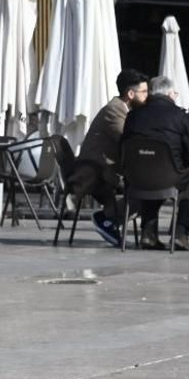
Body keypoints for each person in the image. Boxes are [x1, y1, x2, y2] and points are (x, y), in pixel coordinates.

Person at [121, 75, 189, 250]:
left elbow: (123, 147)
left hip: (136, 178)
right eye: (175, 92)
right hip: (170, 177)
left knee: (152, 173)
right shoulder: (180, 116)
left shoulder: (133, 115)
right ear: (169, 93)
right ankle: (180, 234)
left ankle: (148, 234)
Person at [73, 68, 150, 246]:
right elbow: (130, 140)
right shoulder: (114, 110)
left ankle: (111, 218)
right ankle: (107, 218)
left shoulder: (124, 109)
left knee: (150, 184)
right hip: (95, 171)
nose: (148, 96)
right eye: (144, 92)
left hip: (108, 167)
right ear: (131, 94)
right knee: (148, 186)